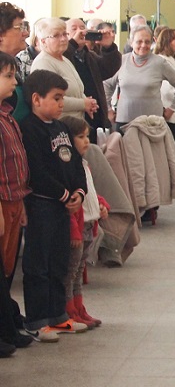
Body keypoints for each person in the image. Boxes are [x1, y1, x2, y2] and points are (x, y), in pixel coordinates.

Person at [19, 70, 89, 341]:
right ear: (36, 99)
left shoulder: (61, 128)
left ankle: (58, 315)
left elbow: (75, 164)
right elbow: (35, 170)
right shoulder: (29, 129)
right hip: (41, 206)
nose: (62, 103)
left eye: (63, 98)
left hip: (64, 207)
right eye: (57, 98)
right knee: (39, 264)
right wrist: (62, 194)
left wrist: (79, 193)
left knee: (59, 261)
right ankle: (37, 320)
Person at [59, 116, 109, 329]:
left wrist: (101, 204)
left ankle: (79, 308)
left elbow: (90, 193)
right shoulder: (68, 168)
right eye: (80, 137)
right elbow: (71, 203)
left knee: (79, 270)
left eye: (87, 136)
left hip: (89, 224)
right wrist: (74, 232)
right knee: (70, 273)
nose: (86, 141)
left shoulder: (84, 164)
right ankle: (68, 310)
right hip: (77, 230)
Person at [0, 51, 34, 352]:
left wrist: (20, 202)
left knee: (8, 266)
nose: (15, 82)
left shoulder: (7, 115)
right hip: (1, 203)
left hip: (14, 199)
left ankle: (7, 325)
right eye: (9, 76)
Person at [103, 25, 175, 128]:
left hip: (152, 124)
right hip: (124, 122)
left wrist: (172, 108)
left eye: (147, 42)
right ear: (131, 42)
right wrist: (108, 109)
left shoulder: (159, 62)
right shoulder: (121, 61)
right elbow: (106, 85)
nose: (143, 45)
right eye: (139, 41)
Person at [30, 18, 99, 122]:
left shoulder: (65, 59)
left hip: (77, 124)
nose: (63, 39)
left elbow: (78, 90)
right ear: (43, 41)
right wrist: (83, 104)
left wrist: (89, 103)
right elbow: (51, 99)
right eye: (56, 35)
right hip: (60, 125)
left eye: (64, 34)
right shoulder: (43, 62)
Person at [64, 18, 121, 136]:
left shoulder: (90, 56)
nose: (80, 31)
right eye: (74, 29)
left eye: (82, 28)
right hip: (73, 117)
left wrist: (108, 47)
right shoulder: (62, 56)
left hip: (96, 116)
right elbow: (65, 55)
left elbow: (109, 69)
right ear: (66, 35)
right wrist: (73, 43)